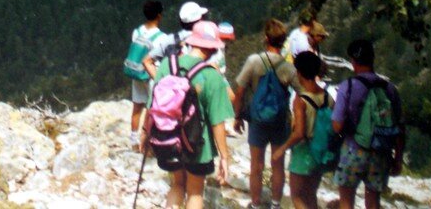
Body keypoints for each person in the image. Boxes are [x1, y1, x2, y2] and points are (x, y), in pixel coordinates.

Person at [141, 21, 232, 209]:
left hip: (168, 138)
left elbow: (152, 105)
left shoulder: (167, 65)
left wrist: (144, 133)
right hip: (198, 145)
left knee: (177, 185)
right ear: (213, 48)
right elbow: (217, 122)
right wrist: (224, 156)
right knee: (195, 192)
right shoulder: (213, 76)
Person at [233, 18, 299, 209]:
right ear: (283, 41)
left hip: (257, 120)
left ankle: (255, 204)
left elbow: (240, 90)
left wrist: (238, 116)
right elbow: (302, 93)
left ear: (266, 38)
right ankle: (276, 204)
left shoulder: (254, 61)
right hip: (280, 120)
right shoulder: (288, 68)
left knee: (257, 165)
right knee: (278, 164)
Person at [332, 40, 404, 209]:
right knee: (373, 202)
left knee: (346, 201)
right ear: (373, 59)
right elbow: (400, 128)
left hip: (352, 149)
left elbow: (337, 125)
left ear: (353, 61)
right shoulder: (390, 89)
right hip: (381, 152)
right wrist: (398, 159)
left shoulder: (348, 86)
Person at [272, 51, 331, 208]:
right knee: (311, 194)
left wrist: (281, 149)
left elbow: (299, 133)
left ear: (298, 72)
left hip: (303, 151)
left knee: (297, 196)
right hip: (320, 151)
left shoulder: (301, 99)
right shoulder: (327, 96)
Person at [127, 0, 165, 149]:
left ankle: (133, 138)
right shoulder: (161, 37)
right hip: (151, 73)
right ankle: (146, 139)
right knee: (151, 106)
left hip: (136, 72)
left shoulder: (136, 31)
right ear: (159, 15)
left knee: (137, 106)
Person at [143, 1, 207, 79]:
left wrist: (161, 84)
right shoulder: (207, 41)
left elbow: (146, 61)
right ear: (200, 20)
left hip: (174, 89)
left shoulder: (170, 40)